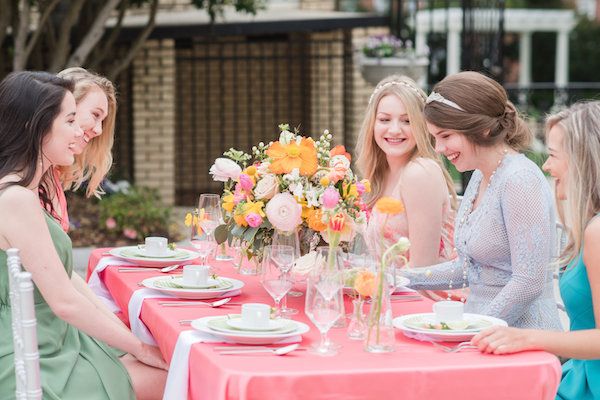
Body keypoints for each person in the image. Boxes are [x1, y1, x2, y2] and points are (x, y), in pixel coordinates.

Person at [0, 71, 167, 400]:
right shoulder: (15, 198)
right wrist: (141, 348)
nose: (81, 133)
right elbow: (64, 302)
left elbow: (62, 282)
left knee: (163, 361)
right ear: (36, 126)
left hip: (51, 340)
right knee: (175, 374)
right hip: (33, 357)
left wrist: (133, 339)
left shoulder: (23, 190)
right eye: (71, 120)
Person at [403, 71, 561, 330]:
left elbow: (528, 282)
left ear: (483, 128)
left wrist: (473, 329)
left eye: (445, 136)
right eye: (435, 138)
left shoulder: (519, 180)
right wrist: (401, 278)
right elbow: (468, 270)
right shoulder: (480, 176)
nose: (439, 149)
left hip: (521, 337)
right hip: (477, 328)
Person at [471, 101, 600, 399]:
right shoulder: (588, 226)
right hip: (576, 377)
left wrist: (525, 337)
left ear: (583, 160)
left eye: (553, 155)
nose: (546, 166)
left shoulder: (596, 232)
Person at [356, 75, 460, 301]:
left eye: (406, 121)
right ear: (373, 124)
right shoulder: (379, 175)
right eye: (385, 120)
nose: (394, 130)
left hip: (424, 303)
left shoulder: (420, 172)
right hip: (390, 296)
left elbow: (422, 272)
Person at [43, 67, 116, 231]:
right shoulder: (23, 183)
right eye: (96, 115)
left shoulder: (51, 174)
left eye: (103, 121)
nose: (99, 130)